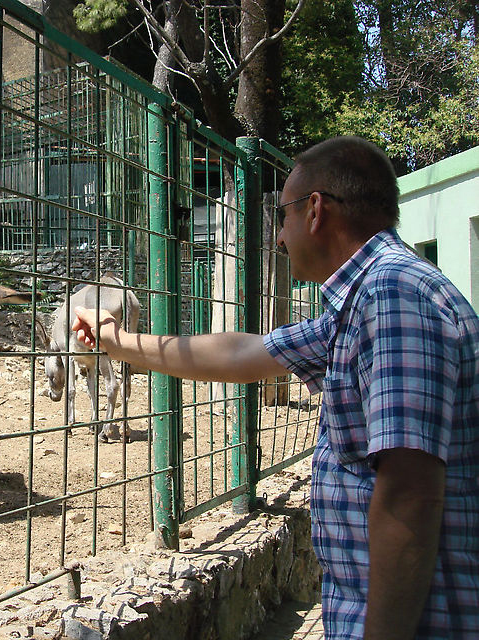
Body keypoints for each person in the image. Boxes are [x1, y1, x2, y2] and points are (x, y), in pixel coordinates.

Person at [72, 136, 479, 640]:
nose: (280, 239)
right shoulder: (363, 301)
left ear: (314, 211)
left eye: (281, 218)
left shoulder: (391, 298)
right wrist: (116, 339)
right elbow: (242, 354)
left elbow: (411, 496)